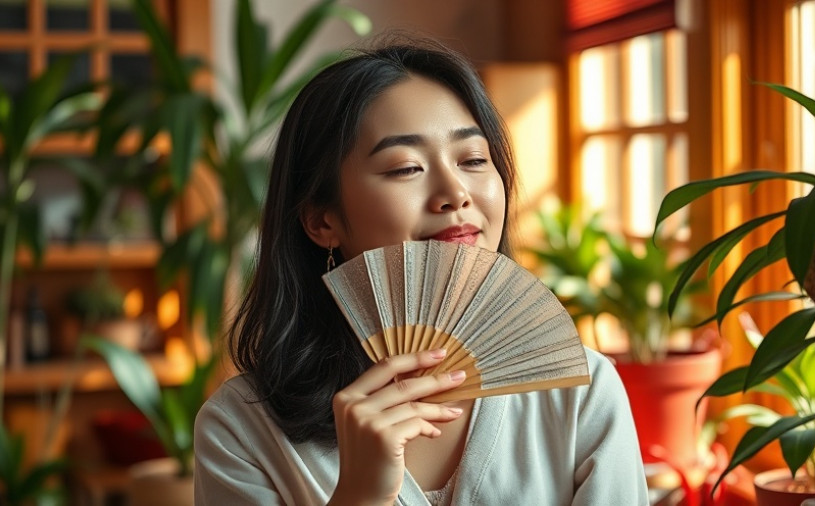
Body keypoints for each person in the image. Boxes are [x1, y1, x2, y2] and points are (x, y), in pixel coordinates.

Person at [193, 34, 649, 506]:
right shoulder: (241, 429)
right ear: (322, 221)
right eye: (406, 167)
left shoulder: (580, 394)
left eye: (474, 160)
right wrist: (359, 496)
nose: (455, 192)